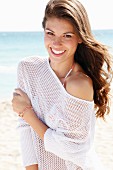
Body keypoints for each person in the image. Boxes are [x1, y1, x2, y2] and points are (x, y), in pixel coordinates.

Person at [12, 0, 113, 169]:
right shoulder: (28, 68)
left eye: (67, 35)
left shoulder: (79, 84)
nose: (56, 43)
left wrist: (27, 112)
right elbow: (25, 128)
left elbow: (70, 149)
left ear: (80, 37)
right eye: (50, 33)